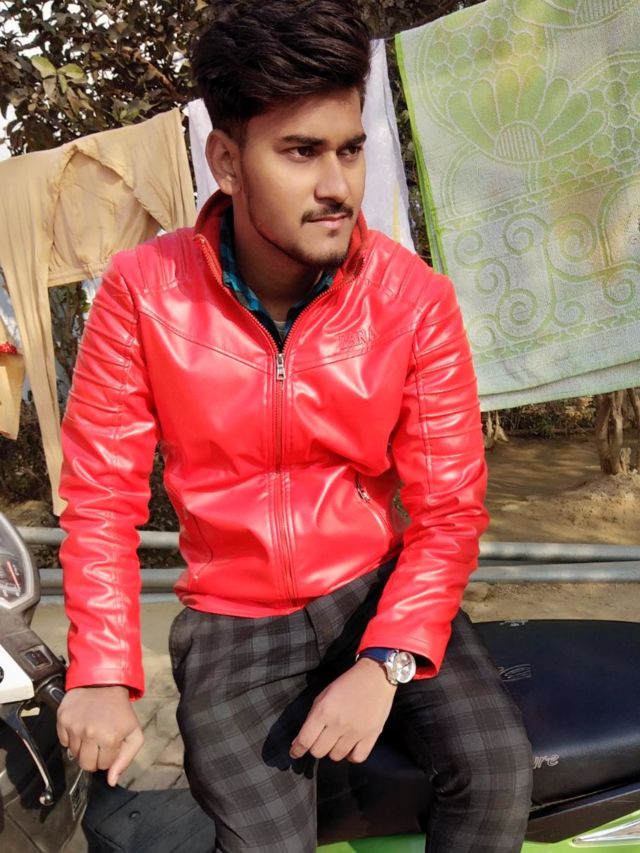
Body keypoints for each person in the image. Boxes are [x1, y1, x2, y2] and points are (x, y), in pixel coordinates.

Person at [56, 2, 533, 851]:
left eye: (349, 149)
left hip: (376, 588)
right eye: (301, 152)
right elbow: (101, 497)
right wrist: (101, 668)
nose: (338, 185)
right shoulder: (143, 294)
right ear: (226, 162)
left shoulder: (412, 299)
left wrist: (386, 659)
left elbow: (449, 510)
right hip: (230, 619)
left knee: (496, 773)